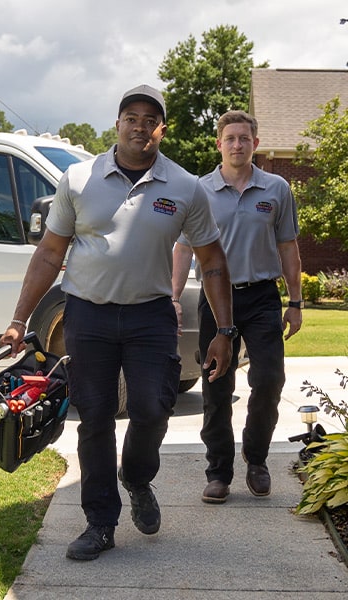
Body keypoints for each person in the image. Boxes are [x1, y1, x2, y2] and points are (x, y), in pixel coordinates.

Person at [0, 84, 235, 561]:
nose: (140, 126)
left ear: (162, 130)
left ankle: (138, 476)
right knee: (96, 420)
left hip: (150, 314)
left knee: (152, 408)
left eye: (151, 119)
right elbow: (50, 252)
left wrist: (225, 331)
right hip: (87, 314)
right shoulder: (78, 179)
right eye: (132, 117)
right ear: (117, 124)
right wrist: (18, 318)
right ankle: (100, 522)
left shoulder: (184, 187)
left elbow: (212, 262)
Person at [171, 110, 303, 504]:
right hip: (216, 299)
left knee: (269, 380)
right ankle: (218, 472)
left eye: (244, 138)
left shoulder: (276, 188)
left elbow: (288, 247)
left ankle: (257, 458)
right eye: (230, 138)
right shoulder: (199, 190)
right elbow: (182, 247)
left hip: (262, 296)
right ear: (219, 144)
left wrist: (295, 301)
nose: (237, 145)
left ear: (255, 144)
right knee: (216, 385)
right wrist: (174, 299)